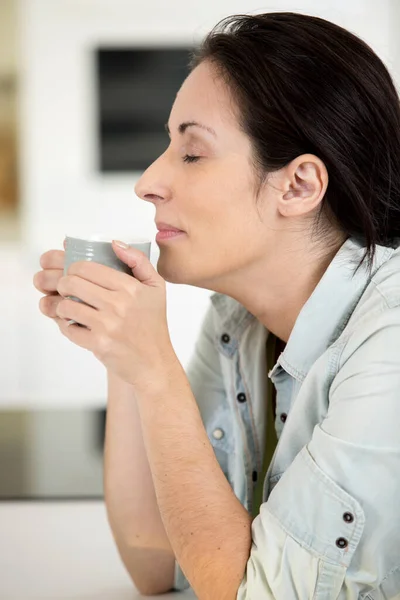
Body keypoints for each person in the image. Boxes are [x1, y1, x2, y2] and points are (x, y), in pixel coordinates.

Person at [33, 11, 400, 599]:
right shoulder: (239, 320)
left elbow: (257, 594)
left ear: (299, 185)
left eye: (192, 153)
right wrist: (124, 355)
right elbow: (156, 561)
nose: (148, 180)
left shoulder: (390, 344)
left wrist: (156, 373)